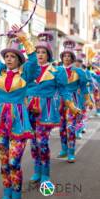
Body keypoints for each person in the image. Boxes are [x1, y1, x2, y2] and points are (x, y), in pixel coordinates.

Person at [0, 25, 40, 199]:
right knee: (4, 162)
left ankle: (16, 197)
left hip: (18, 122)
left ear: (18, 59)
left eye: (13, 56)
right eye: (6, 56)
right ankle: (6, 194)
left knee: (14, 162)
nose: (9, 59)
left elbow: (34, 63)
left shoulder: (26, 74)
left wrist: (25, 40)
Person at [27, 33, 80, 184]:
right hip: (29, 108)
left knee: (42, 142)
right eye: (37, 52)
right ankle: (37, 170)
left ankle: (45, 173)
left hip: (46, 110)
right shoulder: (30, 69)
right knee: (33, 142)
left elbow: (64, 90)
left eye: (43, 52)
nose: (40, 55)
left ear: (48, 55)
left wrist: (71, 105)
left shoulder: (57, 71)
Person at [58, 40, 92, 162]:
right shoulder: (56, 70)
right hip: (59, 100)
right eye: (64, 56)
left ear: (72, 59)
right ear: (61, 58)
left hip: (73, 100)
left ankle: (71, 152)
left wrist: (88, 99)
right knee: (61, 126)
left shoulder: (79, 72)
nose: (66, 58)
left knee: (71, 127)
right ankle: (63, 149)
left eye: (69, 56)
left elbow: (83, 87)